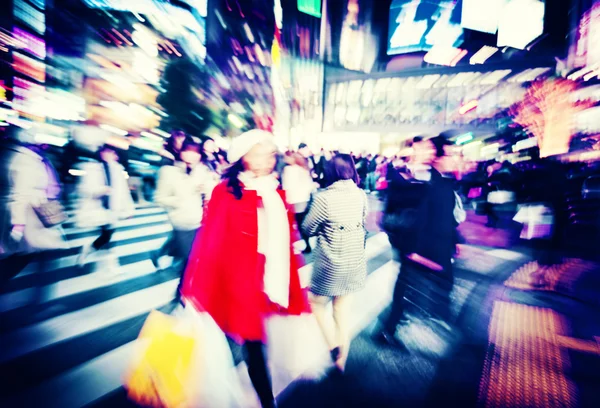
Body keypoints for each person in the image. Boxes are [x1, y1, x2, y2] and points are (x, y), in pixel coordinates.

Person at [181, 129, 310, 408]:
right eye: (260, 154)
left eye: (270, 154)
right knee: (247, 339)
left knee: (255, 339)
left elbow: (285, 236)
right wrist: (193, 281)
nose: (267, 159)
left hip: (267, 279)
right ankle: (265, 399)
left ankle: (262, 396)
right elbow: (209, 239)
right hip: (235, 280)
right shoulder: (225, 192)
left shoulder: (274, 190)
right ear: (243, 158)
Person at [379, 135, 458, 346]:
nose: (427, 153)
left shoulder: (439, 179)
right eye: (422, 148)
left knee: (424, 284)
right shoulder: (404, 176)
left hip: (433, 244)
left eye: (429, 149)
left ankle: (399, 324)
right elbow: (395, 211)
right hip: (412, 243)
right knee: (406, 283)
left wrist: (456, 241)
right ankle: (391, 327)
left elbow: (445, 215)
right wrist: (410, 248)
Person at [302, 154, 368, 371]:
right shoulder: (360, 195)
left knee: (316, 303)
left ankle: (332, 345)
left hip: (330, 264)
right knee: (342, 312)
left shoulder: (324, 198)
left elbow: (307, 227)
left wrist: (324, 228)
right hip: (354, 262)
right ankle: (341, 361)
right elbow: (363, 220)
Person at [0, 127, 69, 302]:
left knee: (37, 255)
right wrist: (18, 224)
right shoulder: (25, 160)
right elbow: (21, 194)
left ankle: (41, 297)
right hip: (31, 216)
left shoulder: (24, 157)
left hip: (34, 216)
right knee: (24, 257)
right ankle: (41, 298)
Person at [152, 138, 218, 282]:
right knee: (189, 262)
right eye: (188, 151)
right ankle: (180, 296)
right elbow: (159, 197)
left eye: (196, 152)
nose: (192, 155)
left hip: (201, 222)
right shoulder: (168, 171)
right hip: (182, 222)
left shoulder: (202, 170)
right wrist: (180, 201)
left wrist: (207, 189)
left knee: (197, 261)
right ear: (181, 152)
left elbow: (212, 190)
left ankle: (184, 294)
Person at [76, 144, 135, 268]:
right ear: (102, 153)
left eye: (113, 153)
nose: (112, 155)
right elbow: (84, 189)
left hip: (113, 208)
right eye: (108, 152)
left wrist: (129, 209)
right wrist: (101, 190)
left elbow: (124, 190)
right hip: (98, 208)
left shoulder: (118, 169)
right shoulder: (92, 168)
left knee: (107, 236)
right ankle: (110, 264)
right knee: (107, 235)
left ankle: (88, 251)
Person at [282, 152, 316, 254]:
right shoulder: (303, 169)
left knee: (297, 223)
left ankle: (306, 244)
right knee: (303, 222)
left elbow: (286, 186)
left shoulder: (288, 170)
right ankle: (307, 242)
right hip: (305, 198)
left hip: (295, 200)